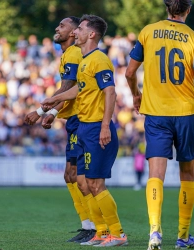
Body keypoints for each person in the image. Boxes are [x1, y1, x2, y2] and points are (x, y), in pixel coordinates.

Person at [125, 1, 194, 249]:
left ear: (166, 7)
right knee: (187, 175)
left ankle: (154, 232)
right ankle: (183, 237)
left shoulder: (147, 31)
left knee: (155, 175)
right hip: (186, 113)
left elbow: (130, 73)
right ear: (188, 10)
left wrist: (136, 94)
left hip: (156, 114)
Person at [41, 14, 128, 247]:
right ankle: (100, 232)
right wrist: (53, 100)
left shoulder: (99, 59)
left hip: (96, 127)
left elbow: (110, 92)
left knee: (96, 184)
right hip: (84, 127)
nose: (75, 32)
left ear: (91, 34)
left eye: (79, 28)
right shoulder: (86, 60)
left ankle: (118, 234)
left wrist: (104, 126)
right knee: (86, 182)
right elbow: (79, 89)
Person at [24, 16, 96, 243]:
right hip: (73, 119)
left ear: (75, 31)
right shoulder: (68, 54)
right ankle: (88, 225)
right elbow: (69, 89)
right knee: (71, 175)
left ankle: (96, 226)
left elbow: (70, 88)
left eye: (62, 25)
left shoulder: (75, 53)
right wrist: (52, 113)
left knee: (80, 177)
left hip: (81, 119)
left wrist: (42, 110)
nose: (57, 28)